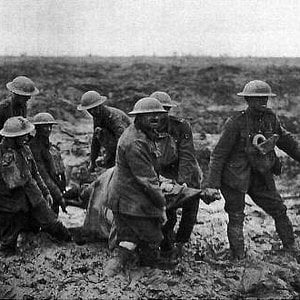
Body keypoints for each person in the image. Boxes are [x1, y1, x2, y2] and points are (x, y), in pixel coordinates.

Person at [206, 80, 300, 260]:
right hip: (235, 177)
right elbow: (218, 154)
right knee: (236, 215)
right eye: (257, 98)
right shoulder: (236, 122)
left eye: (265, 98)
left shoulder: (271, 118)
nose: (262, 101)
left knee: (279, 209)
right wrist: (212, 185)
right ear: (248, 100)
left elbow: (286, 141)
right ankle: (238, 257)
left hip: (261, 175)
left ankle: (291, 248)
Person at [104, 97, 168, 276]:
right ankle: (149, 268)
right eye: (149, 115)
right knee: (154, 237)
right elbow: (147, 180)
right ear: (138, 117)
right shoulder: (135, 142)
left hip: (125, 196)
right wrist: (161, 205)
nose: (155, 118)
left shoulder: (142, 134)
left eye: (157, 114)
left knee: (128, 239)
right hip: (129, 199)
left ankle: (113, 271)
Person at [0, 116, 71, 256]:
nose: (27, 137)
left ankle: (70, 243)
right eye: (23, 135)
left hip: (34, 196)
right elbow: (12, 182)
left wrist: (45, 192)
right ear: (12, 138)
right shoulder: (3, 153)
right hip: (10, 203)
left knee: (53, 223)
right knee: (9, 239)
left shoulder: (25, 149)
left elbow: (36, 173)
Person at [150, 91, 206, 257]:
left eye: (164, 111)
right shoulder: (144, 129)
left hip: (187, 171)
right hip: (163, 172)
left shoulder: (181, 127)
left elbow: (187, 155)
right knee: (167, 210)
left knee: (190, 209)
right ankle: (166, 244)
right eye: (155, 112)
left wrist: (183, 182)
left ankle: (181, 243)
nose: (160, 116)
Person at [77, 91, 131, 171]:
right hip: (115, 146)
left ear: (100, 105)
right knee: (98, 132)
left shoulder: (113, 116)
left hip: (129, 146)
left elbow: (123, 141)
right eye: (89, 110)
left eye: (94, 108)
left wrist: (120, 163)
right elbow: (95, 142)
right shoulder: (97, 117)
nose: (92, 112)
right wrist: (92, 162)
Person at [29, 112, 67, 215]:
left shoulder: (48, 146)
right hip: (41, 190)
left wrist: (61, 188)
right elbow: (42, 174)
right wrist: (58, 195)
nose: (49, 129)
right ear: (37, 128)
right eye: (45, 127)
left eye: (50, 126)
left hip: (52, 187)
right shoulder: (34, 147)